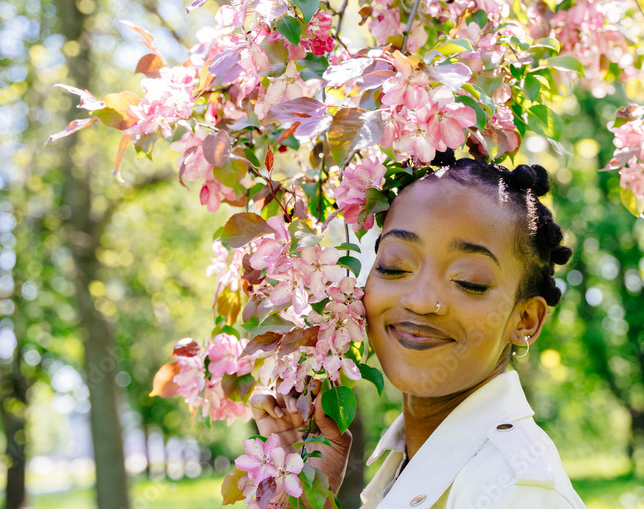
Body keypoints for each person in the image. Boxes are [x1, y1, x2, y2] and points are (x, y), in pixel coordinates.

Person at [251, 156, 587, 508]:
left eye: (468, 281)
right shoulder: (409, 460)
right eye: (395, 267)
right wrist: (306, 494)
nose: (422, 301)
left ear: (525, 320)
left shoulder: (513, 491)